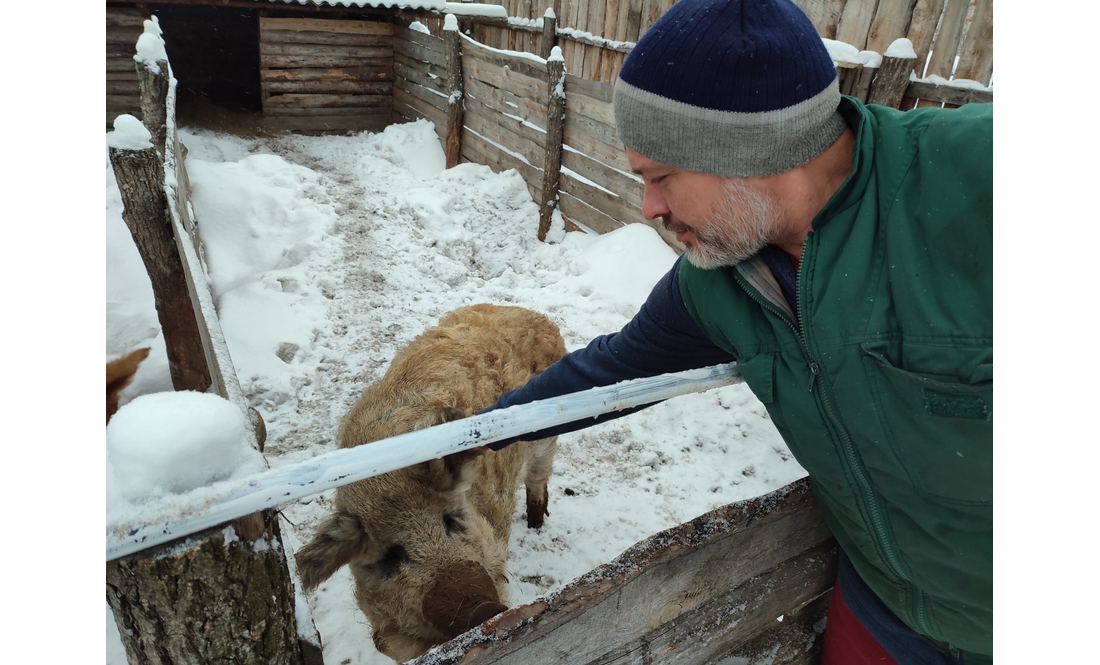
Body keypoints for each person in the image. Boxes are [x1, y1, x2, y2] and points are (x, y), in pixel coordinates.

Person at [479, 0, 993, 662]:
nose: (649, 208)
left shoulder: (978, 181)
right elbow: (611, 369)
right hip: (887, 614)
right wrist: (477, 432)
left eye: (660, 177)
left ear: (749, 152)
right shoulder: (718, 281)